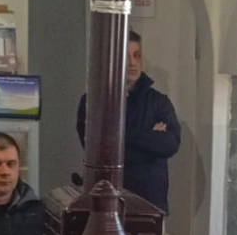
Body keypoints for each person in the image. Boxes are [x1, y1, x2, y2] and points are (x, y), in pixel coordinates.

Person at [76, 29, 181, 217]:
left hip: (150, 204)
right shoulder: (92, 101)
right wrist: (150, 140)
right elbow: (99, 152)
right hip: (105, 206)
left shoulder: (158, 102)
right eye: (126, 57)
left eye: (137, 55)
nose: (132, 63)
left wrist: (119, 135)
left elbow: (170, 145)